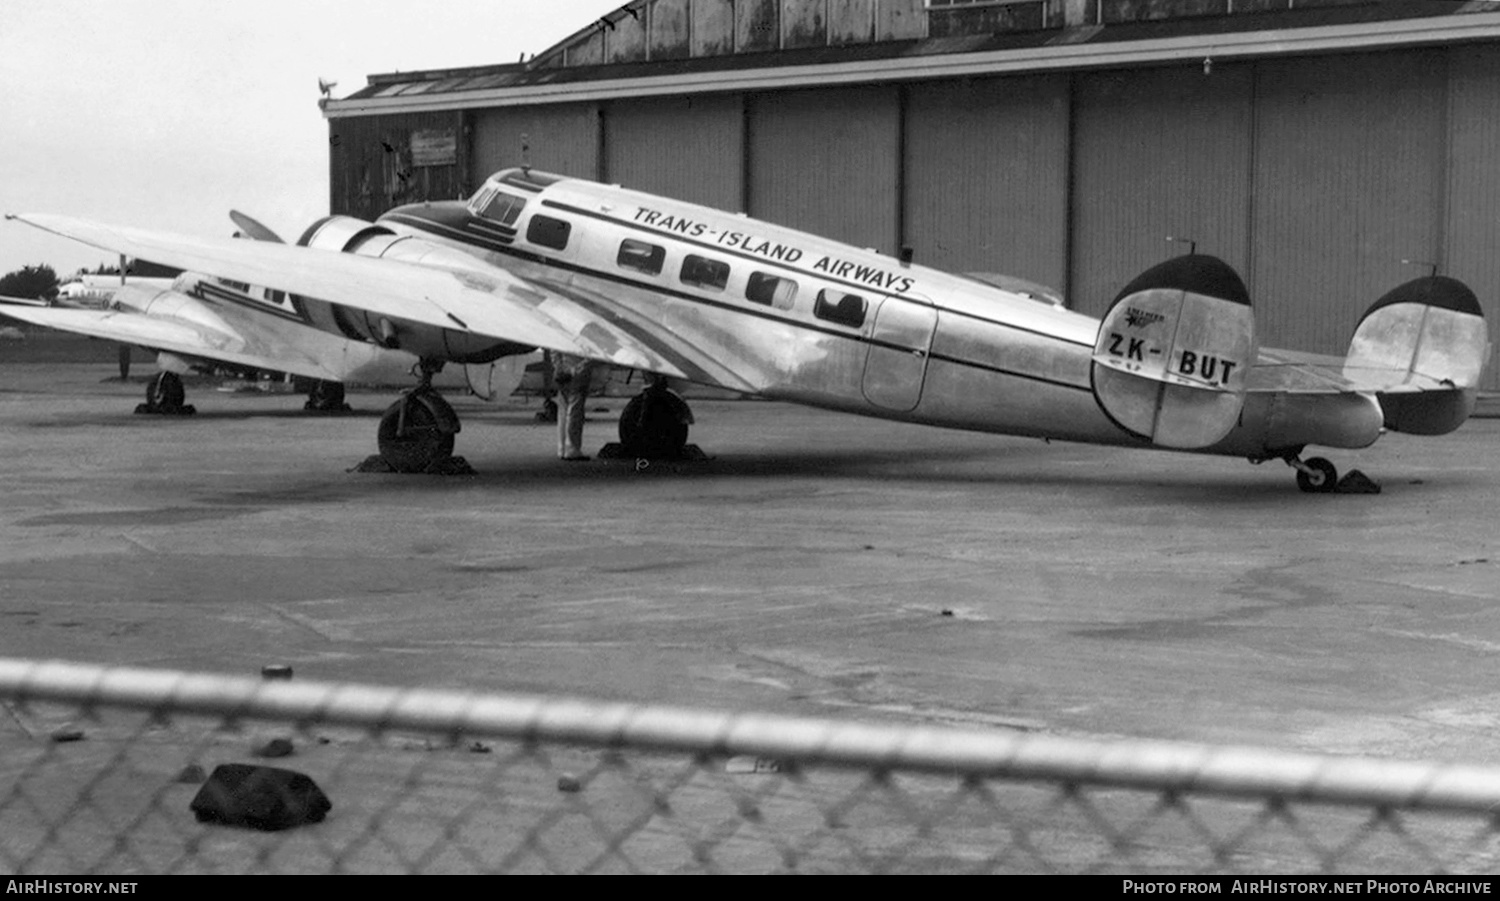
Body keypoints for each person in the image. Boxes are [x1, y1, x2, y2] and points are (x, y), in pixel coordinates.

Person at [552, 352, 597, 461]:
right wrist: (575, 371)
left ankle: (562, 448)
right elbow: (591, 355)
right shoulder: (584, 336)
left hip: (562, 373)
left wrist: (558, 367)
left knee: (562, 411)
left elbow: (554, 351)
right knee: (575, 412)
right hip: (577, 376)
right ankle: (572, 448)